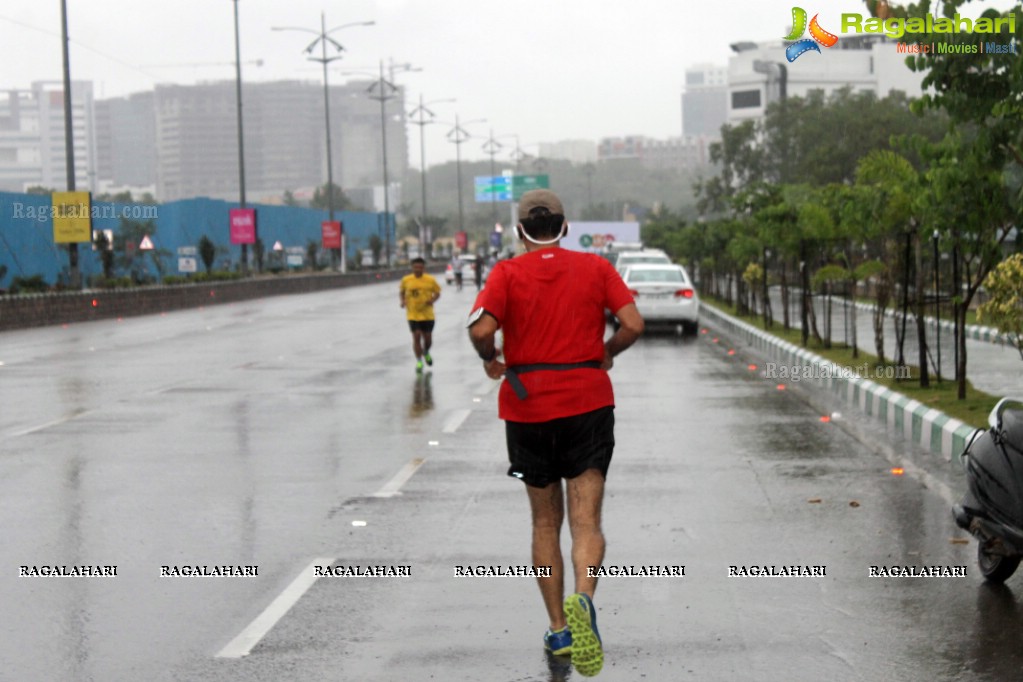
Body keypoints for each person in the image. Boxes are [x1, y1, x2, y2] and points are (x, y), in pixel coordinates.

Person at [466, 189, 644, 677]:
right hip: (588, 400)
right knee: (587, 520)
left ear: (521, 230)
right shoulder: (595, 268)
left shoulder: (505, 273)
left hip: (528, 408)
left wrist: (491, 359)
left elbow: (481, 330)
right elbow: (633, 323)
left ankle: (559, 626)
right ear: (565, 227)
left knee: (545, 524)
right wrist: (607, 353)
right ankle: (584, 599)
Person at [399, 257, 441, 373]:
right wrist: (403, 301)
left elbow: (437, 293)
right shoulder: (406, 280)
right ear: (412, 268)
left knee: (428, 339)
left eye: (420, 267)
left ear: (424, 268)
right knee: (416, 336)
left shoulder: (430, 280)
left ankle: (426, 351)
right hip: (413, 314)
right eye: (415, 267)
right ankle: (419, 361)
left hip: (427, 315)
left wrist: (432, 301)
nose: (418, 269)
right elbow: (402, 292)